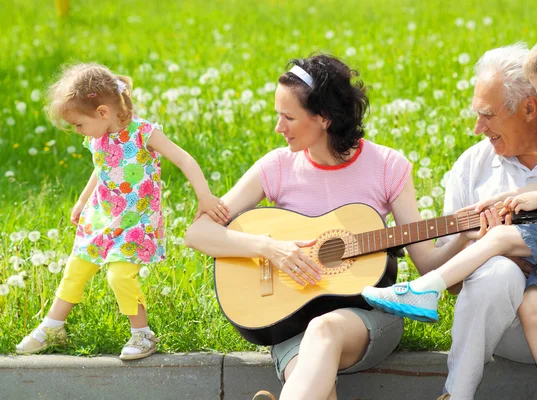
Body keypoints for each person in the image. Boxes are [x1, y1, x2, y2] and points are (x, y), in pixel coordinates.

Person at [184, 54, 480, 400]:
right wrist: (270, 248)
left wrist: (463, 233)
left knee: (324, 329)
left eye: (288, 117)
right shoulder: (277, 167)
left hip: (367, 317)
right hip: (290, 325)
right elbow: (198, 233)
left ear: (323, 119)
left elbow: (427, 264)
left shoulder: (387, 166)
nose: (278, 128)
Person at [364, 31, 537, 400]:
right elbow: (457, 285)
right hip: (507, 327)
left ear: (529, 107)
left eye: (487, 116)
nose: (477, 129)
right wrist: (470, 238)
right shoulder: (471, 168)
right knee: (498, 268)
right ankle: (456, 394)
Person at [16, 63, 228, 360]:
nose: (78, 131)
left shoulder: (143, 133)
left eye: (79, 124)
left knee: (119, 276)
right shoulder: (98, 136)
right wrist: (81, 200)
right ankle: (53, 326)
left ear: (102, 112)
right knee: (76, 268)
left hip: (134, 220)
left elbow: (185, 160)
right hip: (101, 215)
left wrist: (204, 197)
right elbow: (102, 167)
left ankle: (142, 334)